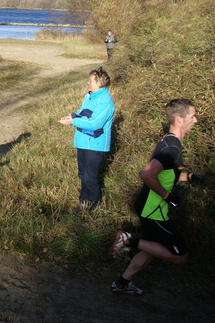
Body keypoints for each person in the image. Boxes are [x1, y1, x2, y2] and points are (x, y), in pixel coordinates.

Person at [111, 99, 206, 296]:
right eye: (192, 116)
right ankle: (128, 240)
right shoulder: (172, 148)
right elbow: (147, 174)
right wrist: (168, 196)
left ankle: (122, 284)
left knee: (152, 249)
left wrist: (189, 177)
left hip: (150, 206)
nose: (195, 120)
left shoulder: (169, 141)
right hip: (153, 210)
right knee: (179, 255)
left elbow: (165, 174)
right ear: (179, 119)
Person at [59, 67, 115, 211]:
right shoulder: (89, 96)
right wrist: (72, 117)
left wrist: (73, 122)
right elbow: (82, 113)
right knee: (82, 175)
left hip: (95, 145)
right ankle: (83, 203)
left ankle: (94, 205)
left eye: (91, 80)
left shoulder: (105, 102)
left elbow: (95, 123)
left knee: (90, 177)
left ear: (99, 83)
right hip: (83, 142)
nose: (88, 83)